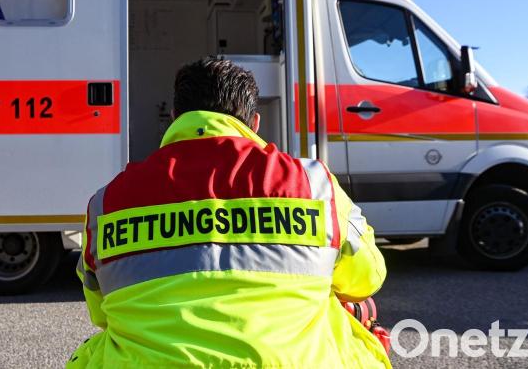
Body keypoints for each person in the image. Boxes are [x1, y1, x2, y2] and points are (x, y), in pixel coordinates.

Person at [68, 57, 390, 368]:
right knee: (352, 314)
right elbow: (367, 278)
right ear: (255, 123)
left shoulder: (106, 202)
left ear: (175, 116)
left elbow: (101, 313)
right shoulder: (314, 185)